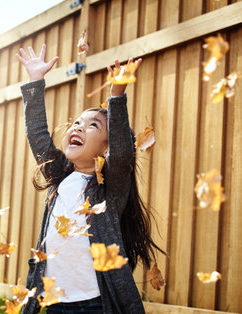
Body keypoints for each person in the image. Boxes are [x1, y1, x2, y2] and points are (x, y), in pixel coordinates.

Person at [16, 44, 164, 314]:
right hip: (55, 300)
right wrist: (35, 82)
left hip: (96, 303)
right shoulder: (60, 176)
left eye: (92, 125)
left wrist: (116, 97)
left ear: (106, 148)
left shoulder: (108, 189)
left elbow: (122, 153)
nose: (78, 127)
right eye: (77, 123)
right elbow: (37, 135)